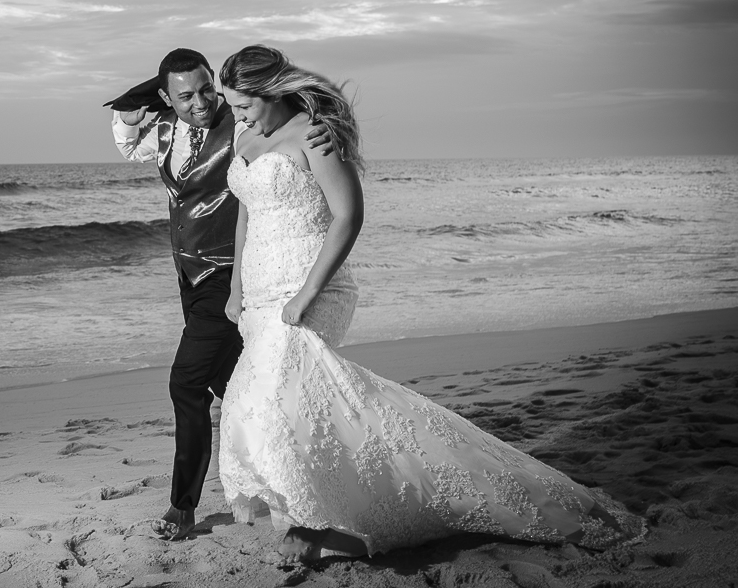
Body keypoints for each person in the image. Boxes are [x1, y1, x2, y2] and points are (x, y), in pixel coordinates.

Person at [215, 45, 643, 563]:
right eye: (232, 106)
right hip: (259, 291)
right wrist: (236, 286)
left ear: (272, 90)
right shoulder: (246, 138)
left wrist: (307, 292)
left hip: (311, 285)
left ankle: (308, 526)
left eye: (243, 105)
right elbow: (247, 214)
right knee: (289, 405)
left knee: (271, 402)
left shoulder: (313, 134)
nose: (237, 116)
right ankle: (327, 504)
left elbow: (348, 217)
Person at [107, 48, 333, 541]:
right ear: (167, 97)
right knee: (237, 387)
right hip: (189, 275)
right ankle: (301, 476)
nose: (202, 102)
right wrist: (127, 120)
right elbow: (132, 148)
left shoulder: (242, 121)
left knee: (186, 383)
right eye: (186, 96)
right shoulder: (166, 129)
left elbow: (283, 127)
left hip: (236, 273)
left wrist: (316, 126)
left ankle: (182, 505)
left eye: (207, 89)